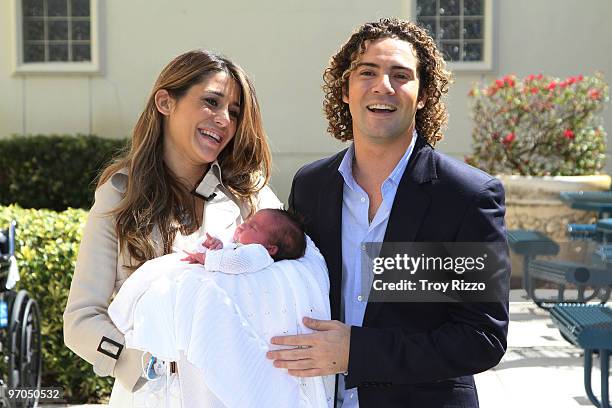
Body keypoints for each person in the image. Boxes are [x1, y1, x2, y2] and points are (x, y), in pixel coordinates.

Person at [267, 18, 510, 408]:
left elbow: (482, 337)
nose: (384, 85)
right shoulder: (310, 187)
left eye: (401, 75)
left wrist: (356, 353)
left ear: (424, 94)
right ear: (345, 89)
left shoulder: (466, 196)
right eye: (367, 72)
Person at [63, 49, 284, 406]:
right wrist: (139, 363)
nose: (224, 120)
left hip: (237, 391)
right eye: (211, 102)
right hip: (153, 394)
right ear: (165, 101)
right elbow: (80, 319)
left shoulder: (250, 193)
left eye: (234, 112)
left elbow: (288, 271)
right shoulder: (118, 195)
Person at [107, 208, 333, 407]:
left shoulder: (258, 254)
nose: (244, 224)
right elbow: (230, 253)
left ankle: (156, 348)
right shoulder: (241, 246)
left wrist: (209, 260)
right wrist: (215, 247)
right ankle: (155, 348)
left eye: (253, 226)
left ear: (271, 248)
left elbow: (239, 262)